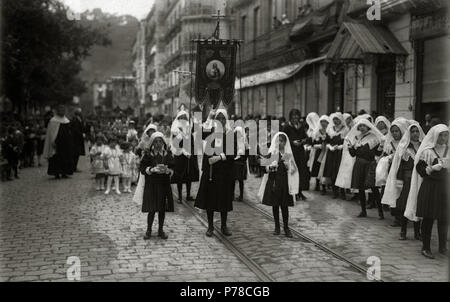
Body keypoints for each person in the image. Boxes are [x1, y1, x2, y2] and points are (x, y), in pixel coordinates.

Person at [405, 124, 449, 259]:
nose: (443, 138)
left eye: (446, 135)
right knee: (429, 217)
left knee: (444, 218)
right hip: (430, 187)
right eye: (441, 135)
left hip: (445, 188)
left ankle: (442, 247)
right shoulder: (427, 152)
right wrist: (432, 168)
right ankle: (426, 247)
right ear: (435, 136)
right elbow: (421, 171)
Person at [195, 109, 235, 237]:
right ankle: (210, 226)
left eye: (223, 119)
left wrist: (219, 157)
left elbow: (232, 153)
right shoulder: (210, 132)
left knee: (223, 199)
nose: (221, 121)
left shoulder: (229, 134)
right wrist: (208, 118)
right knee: (210, 199)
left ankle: (223, 225)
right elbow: (198, 133)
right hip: (211, 172)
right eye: (219, 118)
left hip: (224, 171)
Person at [382, 123, 424, 240]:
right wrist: (399, 181)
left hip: (420, 179)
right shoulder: (404, 147)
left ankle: (417, 232)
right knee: (406, 204)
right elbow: (399, 166)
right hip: (408, 180)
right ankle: (403, 231)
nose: (415, 134)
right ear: (409, 133)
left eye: (417, 131)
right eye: (413, 131)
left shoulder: (423, 146)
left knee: (418, 205)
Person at [258, 132, 298, 238]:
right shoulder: (272, 153)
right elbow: (264, 168)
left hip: (284, 183)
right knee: (275, 205)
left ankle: (286, 227)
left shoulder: (288, 154)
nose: (279, 143)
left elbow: (294, 170)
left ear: (285, 142)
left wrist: (288, 166)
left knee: (284, 206)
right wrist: (271, 167)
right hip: (274, 182)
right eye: (278, 140)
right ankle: (277, 226)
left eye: (282, 141)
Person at [140, 132, 174, 240]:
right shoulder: (148, 154)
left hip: (164, 184)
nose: (158, 144)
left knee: (161, 209)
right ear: (152, 143)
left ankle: (160, 230)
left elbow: (173, 167)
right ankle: (149, 230)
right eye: (156, 141)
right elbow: (142, 168)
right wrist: (151, 169)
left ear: (163, 142)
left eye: (160, 141)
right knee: (152, 209)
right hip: (152, 185)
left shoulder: (167, 154)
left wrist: (168, 170)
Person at [347, 118, 384, 219]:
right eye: (360, 126)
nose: (362, 127)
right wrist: (350, 146)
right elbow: (353, 154)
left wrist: (381, 146)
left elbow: (377, 153)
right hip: (359, 164)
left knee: (374, 188)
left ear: (368, 126)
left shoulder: (374, 138)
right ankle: (363, 211)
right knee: (360, 189)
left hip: (369, 164)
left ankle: (380, 212)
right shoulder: (357, 138)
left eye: (364, 125)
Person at [170, 111, 199, 203]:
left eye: (185, 117)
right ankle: (179, 196)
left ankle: (188, 194)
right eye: (181, 117)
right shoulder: (175, 130)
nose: (183, 119)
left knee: (188, 175)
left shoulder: (188, 128)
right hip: (180, 156)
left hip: (189, 156)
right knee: (179, 176)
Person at [283, 109, 309, 200]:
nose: (295, 117)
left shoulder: (301, 127)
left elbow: (306, 138)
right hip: (290, 152)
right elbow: (283, 139)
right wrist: (292, 142)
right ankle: (291, 192)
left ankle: (299, 191)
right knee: (292, 171)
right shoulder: (287, 127)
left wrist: (302, 141)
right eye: (293, 116)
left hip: (300, 152)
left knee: (301, 172)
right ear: (290, 117)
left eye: (297, 115)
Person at [43, 105, 74, 179]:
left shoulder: (66, 120)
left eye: (63, 110)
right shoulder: (53, 121)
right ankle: (56, 172)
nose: (62, 111)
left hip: (65, 143)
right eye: (60, 110)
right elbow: (51, 133)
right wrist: (53, 141)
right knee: (56, 158)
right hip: (57, 143)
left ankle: (64, 172)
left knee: (65, 158)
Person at [323, 113, 349, 199]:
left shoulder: (345, 130)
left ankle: (342, 192)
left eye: (337, 119)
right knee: (332, 172)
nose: (335, 121)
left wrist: (340, 147)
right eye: (334, 119)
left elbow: (348, 142)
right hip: (332, 153)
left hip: (341, 153)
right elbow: (326, 141)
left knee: (340, 171)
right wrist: (330, 147)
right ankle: (335, 191)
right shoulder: (330, 129)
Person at [309, 115, 330, 194]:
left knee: (324, 168)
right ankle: (317, 184)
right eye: (322, 122)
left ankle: (324, 186)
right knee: (318, 167)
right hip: (319, 152)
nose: (324, 123)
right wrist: (320, 146)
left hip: (327, 152)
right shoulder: (317, 132)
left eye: (325, 122)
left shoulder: (329, 131)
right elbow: (313, 144)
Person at [232, 126, 248, 202]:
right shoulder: (233, 141)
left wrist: (243, 159)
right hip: (234, 163)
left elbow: (247, 152)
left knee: (240, 180)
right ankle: (232, 195)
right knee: (232, 180)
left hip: (241, 163)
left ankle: (241, 195)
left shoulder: (244, 142)